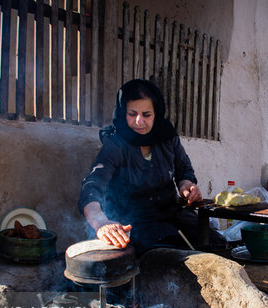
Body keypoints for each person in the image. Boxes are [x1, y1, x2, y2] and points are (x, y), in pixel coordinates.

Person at [78, 79, 225, 254]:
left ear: (156, 113)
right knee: (171, 255)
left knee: (217, 246)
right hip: (136, 222)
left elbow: (184, 169)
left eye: (146, 114)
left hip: (172, 215)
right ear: (123, 112)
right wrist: (100, 222)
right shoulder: (115, 145)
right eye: (132, 113)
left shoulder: (167, 137)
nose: (139, 121)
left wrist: (186, 185)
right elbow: (92, 186)